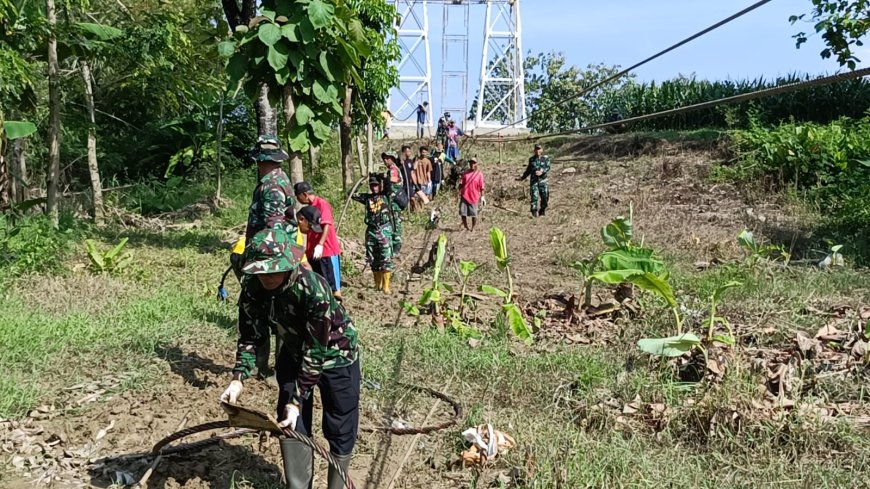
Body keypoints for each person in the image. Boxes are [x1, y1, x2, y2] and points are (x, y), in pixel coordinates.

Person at [221, 228, 360, 489]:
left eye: (274, 270)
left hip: (336, 352)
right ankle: (298, 485)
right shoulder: (253, 287)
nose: (267, 277)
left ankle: (337, 484)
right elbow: (250, 336)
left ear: (289, 264)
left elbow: (316, 352)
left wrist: (298, 399)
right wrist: (238, 378)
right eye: (261, 271)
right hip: (293, 349)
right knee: (289, 419)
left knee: (340, 421)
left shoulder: (313, 288)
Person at [245, 134, 297, 382]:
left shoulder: (272, 186)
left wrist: (262, 262)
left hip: (271, 259)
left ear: (260, 160)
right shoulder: (274, 181)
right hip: (271, 257)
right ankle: (262, 365)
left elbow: (273, 229)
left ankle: (276, 370)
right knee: (265, 311)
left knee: (274, 313)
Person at [352, 173, 395, 293]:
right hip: (371, 231)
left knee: (386, 258)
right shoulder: (367, 198)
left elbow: (388, 185)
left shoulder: (385, 195)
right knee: (373, 258)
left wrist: (382, 176)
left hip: (384, 230)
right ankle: (377, 285)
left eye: (376, 185)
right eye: (372, 185)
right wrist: (361, 181)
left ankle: (386, 286)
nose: (374, 188)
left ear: (380, 185)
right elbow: (352, 194)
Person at [381, 151, 405, 256]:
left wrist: (383, 177)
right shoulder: (390, 170)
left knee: (395, 222)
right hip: (390, 201)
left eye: (387, 158)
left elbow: (394, 179)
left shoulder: (393, 170)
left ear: (392, 159)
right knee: (391, 221)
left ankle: (397, 245)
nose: (385, 160)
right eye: (384, 159)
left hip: (394, 201)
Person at [518, 143, 551, 217]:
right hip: (534, 182)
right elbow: (528, 170)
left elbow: (548, 167)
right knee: (534, 197)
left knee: (545, 197)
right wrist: (522, 177)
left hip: (543, 181)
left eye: (539, 149)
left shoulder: (546, 158)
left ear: (542, 150)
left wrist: (542, 171)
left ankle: (542, 210)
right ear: (534, 150)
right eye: (536, 149)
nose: (537, 151)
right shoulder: (531, 159)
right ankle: (534, 213)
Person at [458, 157, 485, 232]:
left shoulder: (479, 174)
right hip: (464, 195)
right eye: (471, 163)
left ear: (477, 164)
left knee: (474, 214)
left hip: (474, 197)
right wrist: (458, 192)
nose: (472, 164)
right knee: (463, 212)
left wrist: (482, 196)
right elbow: (461, 184)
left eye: (474, 163)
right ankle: (466, 227)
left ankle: (473, 227)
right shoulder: (465, 173)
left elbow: (482, 186)